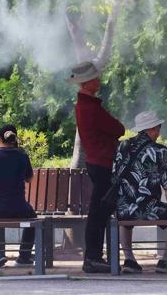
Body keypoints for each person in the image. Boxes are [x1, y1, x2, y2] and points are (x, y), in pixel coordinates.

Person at [69, 61, 125, 273]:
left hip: (97, 161)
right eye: (95, 77)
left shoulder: (85, 106)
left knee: (99, 212)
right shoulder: (90, 108)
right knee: (98, 213)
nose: (99, 80)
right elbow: (118, 128)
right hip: (102, 162)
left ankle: (94, 256)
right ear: (87, 83)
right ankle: (92, 258)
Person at [113, 111, 167, 274]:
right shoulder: (160, 151)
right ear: (152, 129)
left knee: (126, 213)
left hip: (122, 210)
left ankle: (129, 260)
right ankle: (165, 260)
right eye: (158, 127)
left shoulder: (122, 146)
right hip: (149, 209)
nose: (159, 131)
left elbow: (115, 175)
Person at [0, 124, 37, 268]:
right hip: (19, 208)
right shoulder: (22, 156)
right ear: (15, 139)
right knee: (34, 220)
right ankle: (24, 256)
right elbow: (29, 179)